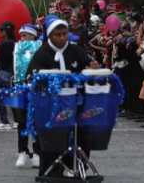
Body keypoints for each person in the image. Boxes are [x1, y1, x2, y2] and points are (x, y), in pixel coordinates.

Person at [27, 16, 96, 177]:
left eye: (64, 34)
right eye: (57, 35)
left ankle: (79, 166)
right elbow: (32, 76)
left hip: (76, 100)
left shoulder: (75, 50)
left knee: (83, 134)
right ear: (50, 35)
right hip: (52, 103)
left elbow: (87, 66)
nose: (62, 37)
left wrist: (92, 67)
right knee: (52, 136)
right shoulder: (42, 53)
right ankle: (52, 170)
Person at [13, 23, 41, 168]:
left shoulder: (40, 47)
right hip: (20, 86)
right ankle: (22, 152)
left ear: (33, 35)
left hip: (36, 87)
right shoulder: (16, 47)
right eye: (21, 34)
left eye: (25, 34)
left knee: (36, 121)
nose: (22, 36)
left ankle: (37, 153)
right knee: (21, 121)